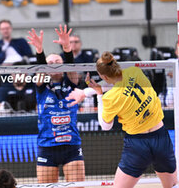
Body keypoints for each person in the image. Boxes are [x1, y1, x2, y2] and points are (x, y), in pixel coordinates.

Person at [68, 52, 177, 188]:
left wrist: (99, 95)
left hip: (138, 144)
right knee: (172, 185)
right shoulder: (134, 71)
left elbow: (106, 126)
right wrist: (85, 92)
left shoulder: (111, 98)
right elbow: (116, 82)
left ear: (104, 76)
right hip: (160, 137)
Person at [26, 25, 85, 185]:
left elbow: (71, 65)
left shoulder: (71, 81)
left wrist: (67, 47)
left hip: (71, 145)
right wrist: (39, 50)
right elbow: (40, 72)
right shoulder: (42, 85)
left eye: (57, 61)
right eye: (49, 63)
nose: (53, 64)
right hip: (47, 146)